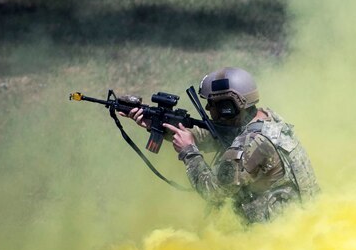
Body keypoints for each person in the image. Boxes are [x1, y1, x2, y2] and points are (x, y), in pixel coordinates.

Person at [128, 67, 319, 223]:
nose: (209, 109)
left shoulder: (250, 145)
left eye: (213, 104)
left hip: (275, 236)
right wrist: (160, 125)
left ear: (228, 107)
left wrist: (189, 153)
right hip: (297, 216)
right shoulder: (264, 119)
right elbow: (215, 135)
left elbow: (213, 191)